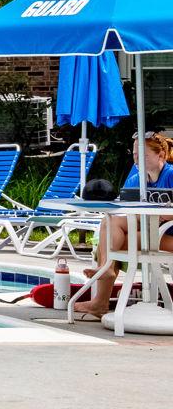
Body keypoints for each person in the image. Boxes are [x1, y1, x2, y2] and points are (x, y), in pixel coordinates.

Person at [73, 131, 173, 318]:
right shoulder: (136, 179)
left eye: (142, 155)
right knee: (109, 223)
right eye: (134, 155)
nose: (137, 160)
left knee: (112, 242)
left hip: (169, 235)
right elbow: (126, 209)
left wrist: (164, 216)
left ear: (160, 155)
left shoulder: (171, 175)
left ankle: (101, 296)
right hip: (153, 231)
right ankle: (107, 268)